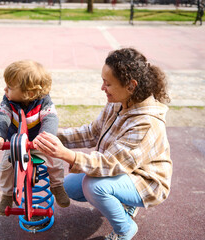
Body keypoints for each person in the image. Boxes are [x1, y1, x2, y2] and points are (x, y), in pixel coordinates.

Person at [33, 48, 173, 240]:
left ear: (131, 86)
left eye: (108, 83)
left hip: (146, 180)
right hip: (123, 168)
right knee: (69, 187)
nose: (102, 88)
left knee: (94, 186)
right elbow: (91, 132)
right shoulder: (119, 102)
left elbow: (109, 163)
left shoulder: (147, 123)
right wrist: (51, 136)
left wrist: (66, 154)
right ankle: (122, 201)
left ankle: (125, 229)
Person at [0, 60, 70, 215]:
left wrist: (44, 138)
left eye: (10, 87)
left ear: (30, 93)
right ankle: (7, 195)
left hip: (38, 143)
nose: (5, 89)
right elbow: (1, 117)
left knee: (55, 159)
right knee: (6, 167)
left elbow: (50, 119)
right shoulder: (8, 101)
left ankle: (57, 186)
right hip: (16, 144)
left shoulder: (44, 102)